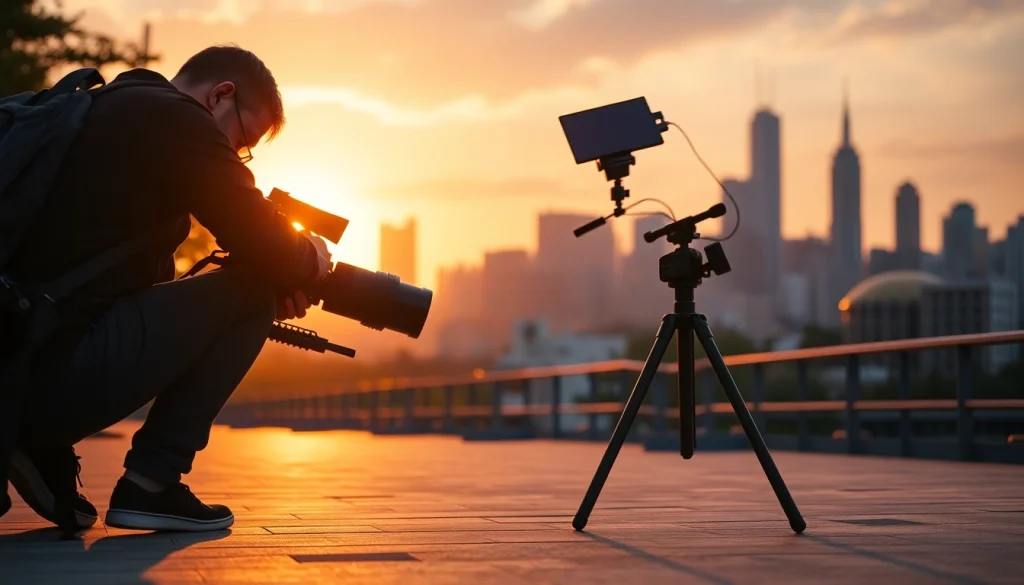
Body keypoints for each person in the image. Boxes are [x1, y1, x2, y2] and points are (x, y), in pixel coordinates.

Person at [1, 45, 331, 533]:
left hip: (19, 357)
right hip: (38, 373)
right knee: (256, 287)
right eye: (243, 140)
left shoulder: (104, 106)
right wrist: (309, 258)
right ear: (221, 95)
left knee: (250, 284)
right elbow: (258, 234)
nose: (237, 156)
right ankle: (152, 483)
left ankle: (38, 443)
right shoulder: (175, 117)